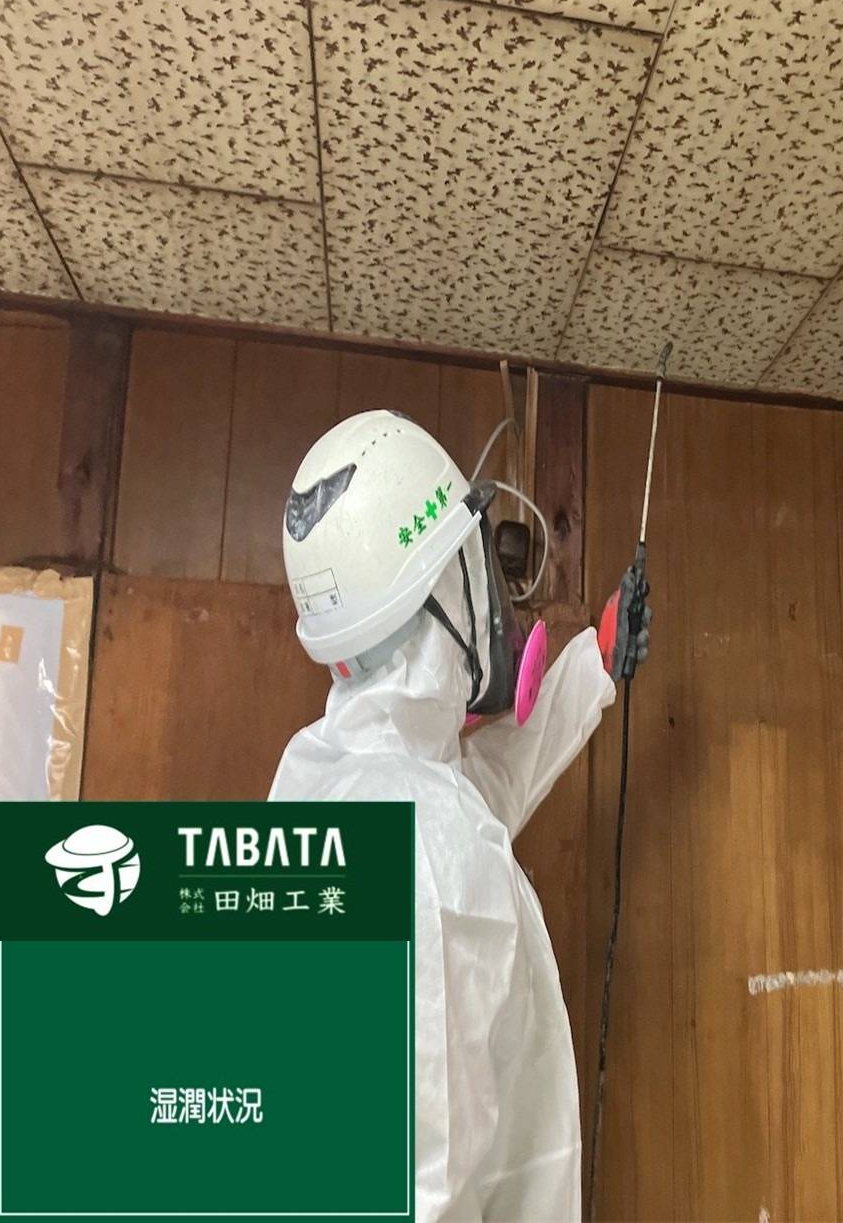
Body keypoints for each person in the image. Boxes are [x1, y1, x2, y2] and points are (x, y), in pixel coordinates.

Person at [270, 409, 648, 1221]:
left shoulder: (324, 775)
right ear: (447, 592)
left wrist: (592, 663)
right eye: (475, 564)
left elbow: (472, 796)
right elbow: (422, 1186)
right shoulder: (425, 852)